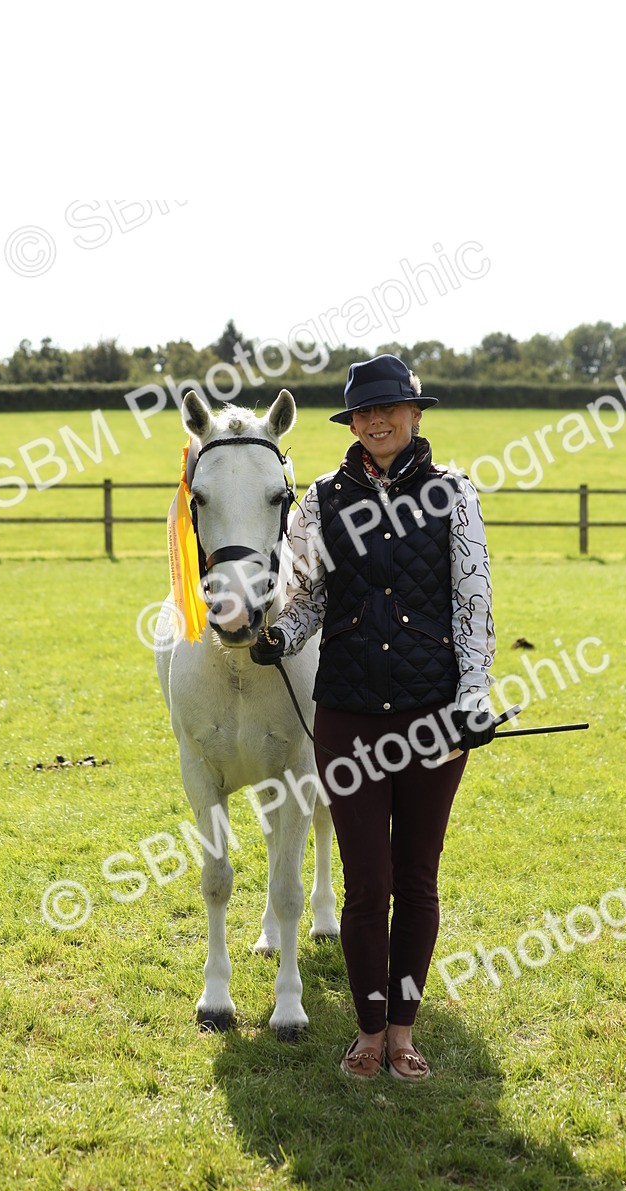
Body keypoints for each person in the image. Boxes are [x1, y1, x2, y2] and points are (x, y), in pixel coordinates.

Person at [250, 354, 496, 1081]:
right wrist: (280, 637)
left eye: (390, 409)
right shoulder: (321, 500)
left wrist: (473, 696)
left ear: (417, 415)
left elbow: (473, 601)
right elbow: (305, 599)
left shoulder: (455, 493)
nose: (377, 421)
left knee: (418, 879)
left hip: (432, 718)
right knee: (367, 885)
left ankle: (403, 1030)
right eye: (363, 412)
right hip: (351, 715)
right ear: (352, 423)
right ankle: (364, 1028)